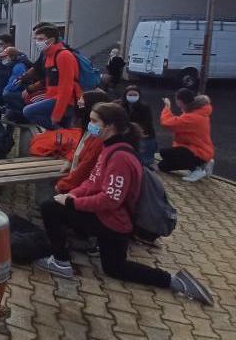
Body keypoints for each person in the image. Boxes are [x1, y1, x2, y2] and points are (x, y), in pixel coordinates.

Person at [34, 102, 214, 306]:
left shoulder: (120, 157)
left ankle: (60, 262)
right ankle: (173, 281)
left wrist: (73, 203)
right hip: (111, 221)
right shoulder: (109, 147)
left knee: (49, 208)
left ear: (109, 127)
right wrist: (71, 195)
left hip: (113, 223)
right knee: (114, 268)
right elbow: (92, 182)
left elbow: (110, 199)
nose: (89, 125)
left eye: (94, 121)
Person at [22, 25, 80, 130]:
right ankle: (58, 133)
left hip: (65, 101)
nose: (37, 42)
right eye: (36, 39)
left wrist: (56, 114)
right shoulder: (49, 55)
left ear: (51, 40)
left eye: (40, 39)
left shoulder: (63, 55)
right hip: (54, 98)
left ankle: (59, 132)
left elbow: (66, 87)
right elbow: (51, 82)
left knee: (28, 111)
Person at [55, 90, 110, 193]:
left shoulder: (98, 137)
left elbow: (86, 167)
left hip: (82, 188)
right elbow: (80, 149)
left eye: (82, 100)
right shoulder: (88, 128)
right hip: (77, 182)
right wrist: (70, 161)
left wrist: (64, 184)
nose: (79, 102)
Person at [157, 88, 214, 182]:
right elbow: (176, 122)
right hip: (194, 148)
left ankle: (198, 168)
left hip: (199, 151)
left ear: (180, 101)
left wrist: (167, 107)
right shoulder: (196, 111)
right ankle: (197, 165)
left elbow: (167, 123)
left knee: (164, 159)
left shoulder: (193, 117)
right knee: (163, 159)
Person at [119, 85, 157, 167]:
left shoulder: (144, 107)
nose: (132, 97)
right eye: (130, 95)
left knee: (145, 162)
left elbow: (147, 123)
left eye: (135, 95)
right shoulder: (121, 106)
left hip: (143, 134)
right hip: (127, 133)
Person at [0, 47, 32, 122]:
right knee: (9, 113)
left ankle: (24, 114)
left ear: (13, 57)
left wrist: (5, 89)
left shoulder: (18, 67)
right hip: (23, 91)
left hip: (25, 92)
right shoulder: (15, 64)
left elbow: (15, 84)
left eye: (5, 57)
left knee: (6, 94)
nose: (2, 59)